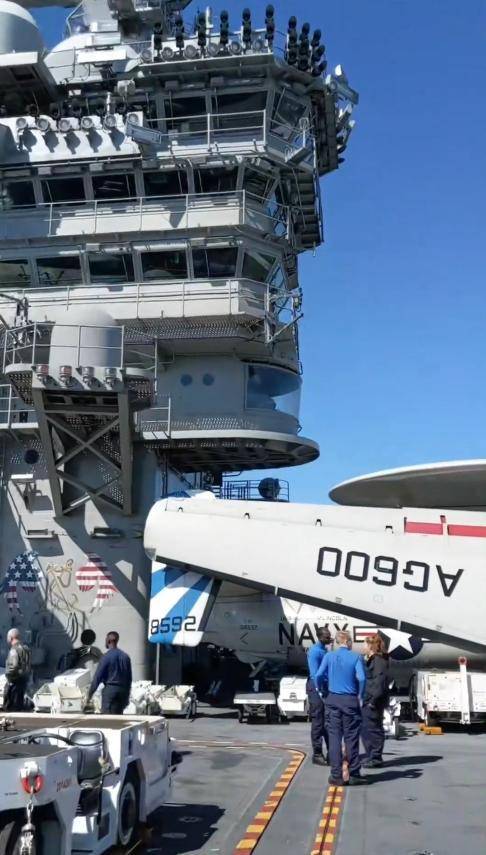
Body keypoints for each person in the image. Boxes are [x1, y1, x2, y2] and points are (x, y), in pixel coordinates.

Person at [316, 629, 366, 786]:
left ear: (337, 642)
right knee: (351, 738)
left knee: (334, 738)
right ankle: (354, 773)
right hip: (350, 700)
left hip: (333, 699)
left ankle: (336, 775)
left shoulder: (329, 656)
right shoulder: (356, 657)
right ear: (349, 642)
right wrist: (360, 695)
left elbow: (318, 675)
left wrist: (320, 690)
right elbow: (362, 678)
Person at [361, 633, 390, 768]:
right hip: (368, 698)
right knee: (367, 728)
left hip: (373, 701)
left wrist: (372, 701)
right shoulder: (372, 660)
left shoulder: (379, 661)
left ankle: (376, 757)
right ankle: (371, 755)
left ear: (371, 646)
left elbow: (379, 682)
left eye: (365, 644)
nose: (363, 647)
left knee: (373, 729)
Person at [87, 631, 132, 714]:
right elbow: (129, 679)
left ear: (108, 641)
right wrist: (127, 696)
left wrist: (89, 695)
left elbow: (97, 677)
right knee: (118, 717)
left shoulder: (106, 657)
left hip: (110, 691)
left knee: (108, 718)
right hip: (122, 692)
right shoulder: (126, 657)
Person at [307, 626, 332, 765]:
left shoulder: (324, 650)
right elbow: (315, 674)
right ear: (320, 637)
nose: (330, 638)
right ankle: (317, 753)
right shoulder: (315, 651)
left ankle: (331, 751)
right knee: (318, 721)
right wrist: (320, 690)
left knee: (327, 721)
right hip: (317, 687)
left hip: (325, 686)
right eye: (327, 636)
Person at [3, 628, 31, 712]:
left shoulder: (14, 650)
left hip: (14, 683)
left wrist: (8, 676)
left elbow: (14, 666)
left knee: (10, 708)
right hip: (23, 682)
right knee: (19, 707)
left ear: (11, 637)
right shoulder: (26, 649)